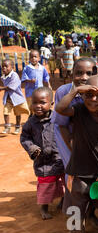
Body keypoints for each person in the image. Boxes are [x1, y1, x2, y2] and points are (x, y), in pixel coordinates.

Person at [52, 57, 98, 231]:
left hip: (90, 144)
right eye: (78, 73)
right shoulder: (64, 92)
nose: (84, 77)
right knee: (74, 183)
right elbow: (62, 124)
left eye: (89, 73)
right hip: (70, 140)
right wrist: (72, 150)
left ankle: (90, 215)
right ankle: (75, 228)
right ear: (71, 74)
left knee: (93, 184)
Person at [20, 87, 64, 220]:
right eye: (34, 102)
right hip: (43, 161)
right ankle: (44, 207)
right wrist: (32, 147)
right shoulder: (30, 123)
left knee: (64, 182)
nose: (38, 106)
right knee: (46, 185)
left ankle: (63, 201)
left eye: (42, 102)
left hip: (60, 158)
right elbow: (24, 138)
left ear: (51, 104)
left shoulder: (58, 119)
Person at [1, 59, 30, 134]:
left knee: (18, 113)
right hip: (8, 98)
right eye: (2, 66)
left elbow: (11, 87)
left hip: (16, 98)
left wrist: (1, 88)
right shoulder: (3, 77)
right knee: (6, 112)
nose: (4, 68)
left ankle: (17, 127)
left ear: (12, 67)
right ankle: (7, 127)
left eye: (6, 66)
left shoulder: (15, 75)